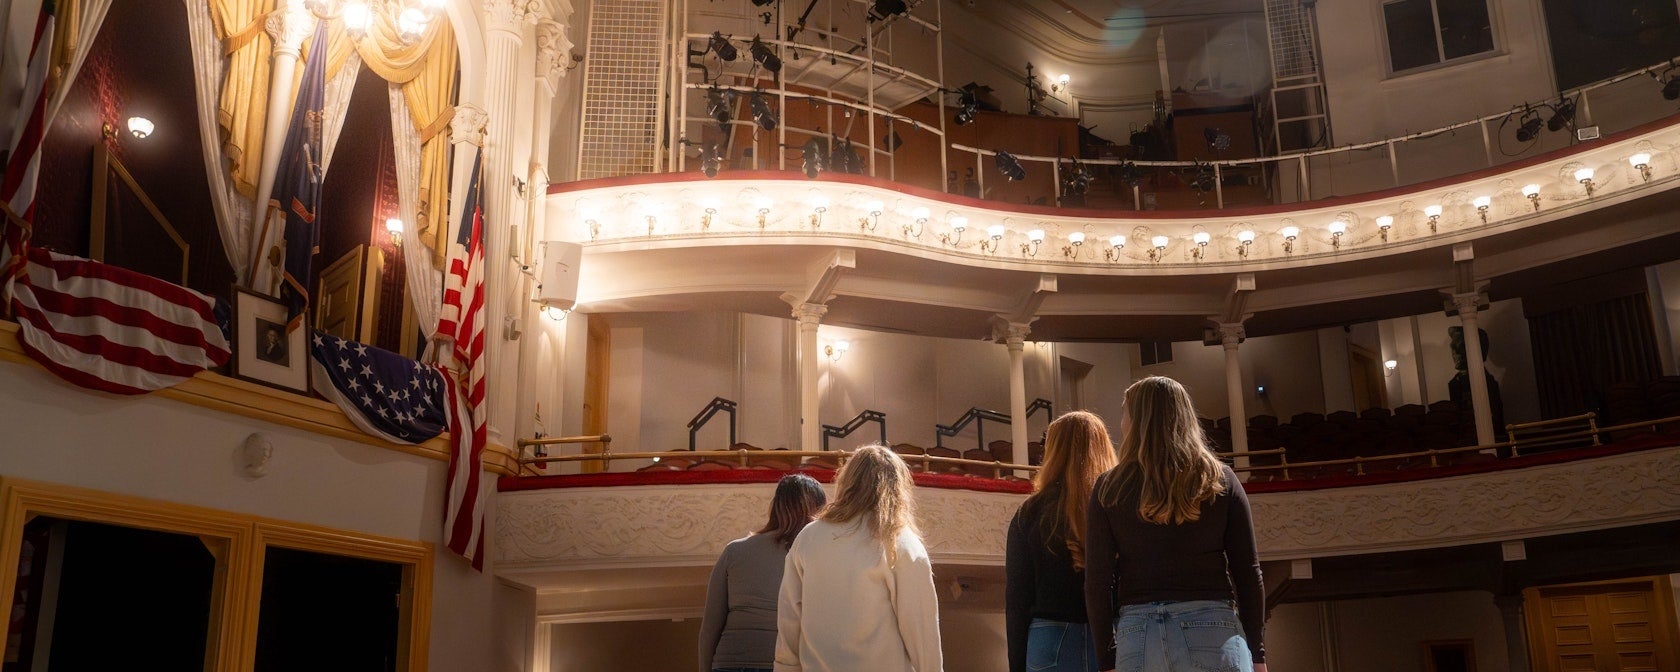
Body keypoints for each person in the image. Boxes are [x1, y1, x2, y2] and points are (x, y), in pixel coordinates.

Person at [1084, 376, 1266, 672]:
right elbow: (1248, 572)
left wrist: (1107, 660)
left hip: (1139, 634)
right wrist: (1257, 654)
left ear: (1137, 421)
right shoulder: (1219, 479)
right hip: (1212, 627)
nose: (1122, 422)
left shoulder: (1109, 487)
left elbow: (1097, 583)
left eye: (1124, 413)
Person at [774, 445, 942, 672]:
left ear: (847, 482)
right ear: (896, 487)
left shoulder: (808, 537)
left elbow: (789, 620)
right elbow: (922, 631)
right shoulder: (902, 543)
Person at [1007, 411, 1119, 672]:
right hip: (1112, 637)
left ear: (1053, 452)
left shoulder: (1030, 512)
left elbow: (1017, 600)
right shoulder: (1116, 506)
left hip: (1050, 638)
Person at [699, 474, 828, 672]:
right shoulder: (817, 556)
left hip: (730, 662)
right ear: (818, 510)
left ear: (776, 507)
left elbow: (710, 627)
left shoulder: (734, 551)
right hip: (782, 663)